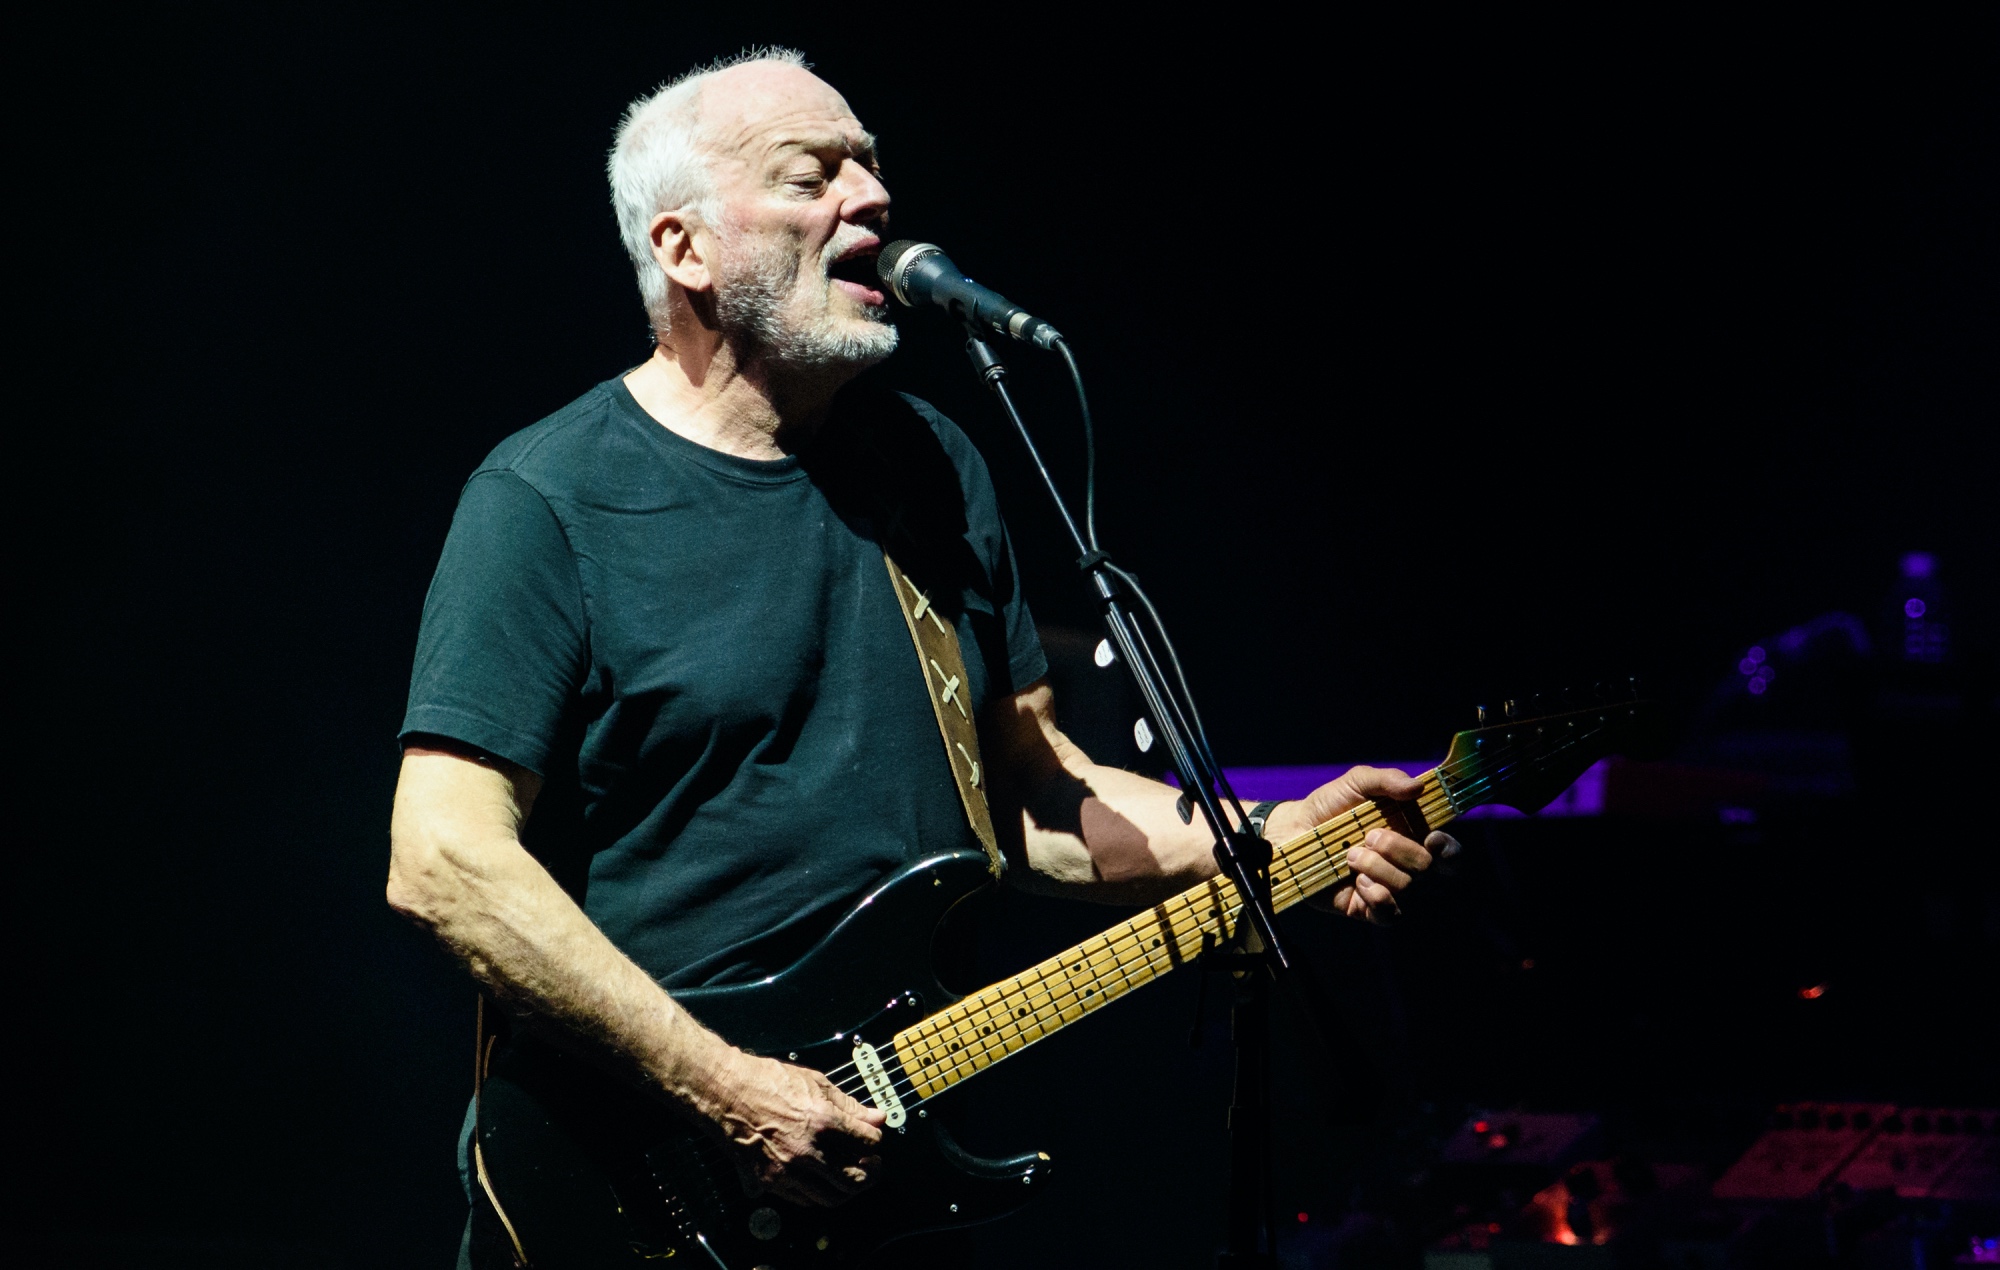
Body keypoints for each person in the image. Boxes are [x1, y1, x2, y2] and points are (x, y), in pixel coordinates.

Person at [386, 47, 1450, 1265]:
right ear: (682, 249)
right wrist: (728, 1087)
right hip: (631, 1186)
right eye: (811, 174)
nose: (872, 198)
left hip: (872, 1181)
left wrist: (1275, 837)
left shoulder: (930, 467)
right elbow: (443, 859)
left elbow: (1032, 794)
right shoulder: (548, 498)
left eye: (871, 164)